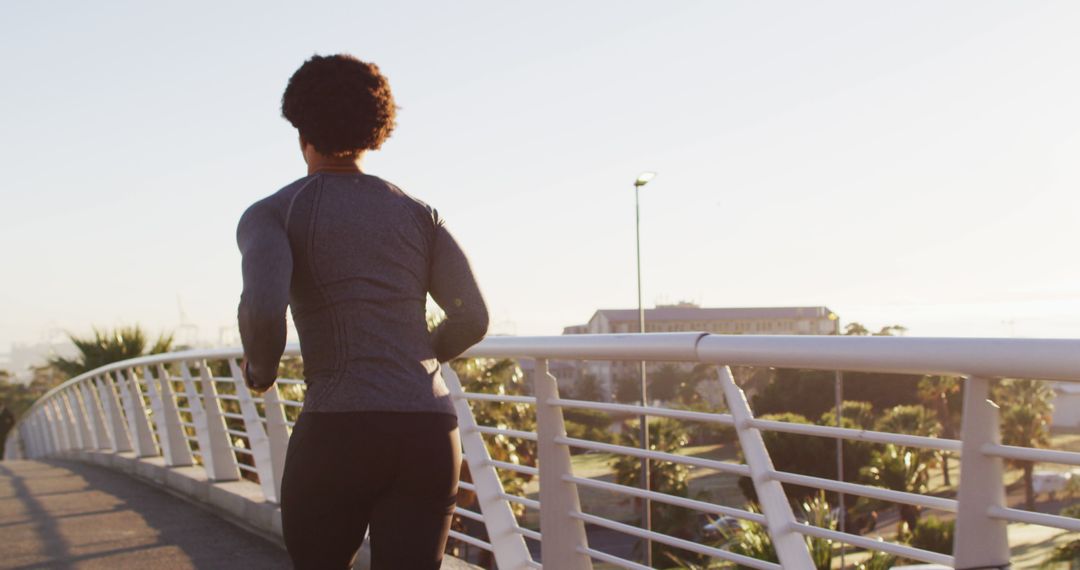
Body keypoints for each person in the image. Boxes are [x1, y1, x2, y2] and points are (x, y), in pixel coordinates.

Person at [236, 54, 488, 570]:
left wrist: (259, 373)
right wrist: (416, 355)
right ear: (378, 129)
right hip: (427, 434)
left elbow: (264, 309)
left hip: (337, 430)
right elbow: (472, 317)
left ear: (300, 129)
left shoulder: (274, 212)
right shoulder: (420, 214)